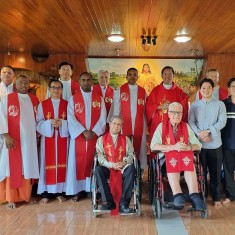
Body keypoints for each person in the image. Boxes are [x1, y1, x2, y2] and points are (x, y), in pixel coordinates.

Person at [150, 102, 206, 210]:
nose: (176, 115)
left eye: (179, 113)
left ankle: (195, 196)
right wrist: (173, 147)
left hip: (184, 160)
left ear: (182, 114)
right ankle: (177, 194)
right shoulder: (161, 126)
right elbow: (153, 146)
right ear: (168, 114)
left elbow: (198, 145)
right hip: (166, 162)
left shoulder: (185, 126)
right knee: (173, 158)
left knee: (189, 159)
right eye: (173, 112)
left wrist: (188, 147)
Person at [0, 75, 39, 209]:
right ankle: (11, 198)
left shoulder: (34, 99)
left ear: (29, 85)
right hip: (13, 139)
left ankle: (26, 196)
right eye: (20, 82)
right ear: (15, 84)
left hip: (29, 140)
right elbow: (1, 117)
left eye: (26, 82)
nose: (23, 84)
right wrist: (6, 135)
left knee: (28, 166)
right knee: (11, 167)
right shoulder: (7, 99)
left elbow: (38, 120)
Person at [66, 72, 106, 200]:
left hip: (94, 137)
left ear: (92, 82)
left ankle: (91, 189)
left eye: (88, 80)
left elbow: (103, 117)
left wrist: (93, 132)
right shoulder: (73, 98)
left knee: (93, 162)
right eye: (83, 80)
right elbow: (70, 118)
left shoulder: (99, 98)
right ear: (79, 81)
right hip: (79, 137)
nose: (86, 82)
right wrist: (83, 131)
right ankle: (78, 190)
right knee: (76, 163)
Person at [189, 78, 227, 207]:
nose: (206, 90)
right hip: (199, 145)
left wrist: (209, 131)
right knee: (200, 173)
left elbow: (222, 122)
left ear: (213, 89)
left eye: (208, 88)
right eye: (203, 88)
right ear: (200, 90)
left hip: (215, 144)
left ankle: (216, 198)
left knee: (215, 173)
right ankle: (201, 197)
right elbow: (191, 122)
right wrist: (200, 134)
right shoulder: (194, 105)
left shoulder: (220, 104)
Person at [36, 79, 69, 204]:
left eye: (58, 88)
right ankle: (46, 193)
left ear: (62, 89)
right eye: (53, 88)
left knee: (63, 165)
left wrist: (63, 123)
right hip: (48, 140)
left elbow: (72, 122)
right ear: (49, 90)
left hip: (62, 139)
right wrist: (49, 123)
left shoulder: (67, 104)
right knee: (47, 165)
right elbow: (38, 123)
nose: (56, 90)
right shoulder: (42, 104)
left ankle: (60, 192)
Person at [95, 115, 135, 215]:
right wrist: (111, 165)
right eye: (114, 123)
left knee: (131, 169)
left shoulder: (126, 139)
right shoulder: (101, 139)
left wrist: (125, 162)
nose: (116, 126)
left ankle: (124, 204)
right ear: (110, 124)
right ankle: (108, 202)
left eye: (119, 124)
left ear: (121, 126)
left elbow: (131, 154)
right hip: (108, 167)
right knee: (98, 170)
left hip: (122, 167)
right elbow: (99, 157)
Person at [108, 68, 147, 169]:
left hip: (139, 124)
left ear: (137, 77)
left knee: (140, 147)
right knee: (124, 146)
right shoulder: (120, 90)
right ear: (126, 76)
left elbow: (146, 110)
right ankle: (124, 168)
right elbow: (116, 109)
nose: (132, 76)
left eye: (134, 74)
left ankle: (140, 168)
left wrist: (146, 124)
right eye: (130, 74)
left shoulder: (143, 92)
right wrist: (116, 124)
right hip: (124, 124)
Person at [146, 66, 188, 159]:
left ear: (173, 75)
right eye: (165, 74)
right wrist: (159, 106)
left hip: (173, 125)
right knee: (157, 145)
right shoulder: (155, 90)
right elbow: (148, 105)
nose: (167, 76)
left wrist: (173, 106)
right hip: (158, 124)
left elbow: (184, 103)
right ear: (161, 75)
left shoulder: (179, 92)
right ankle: (156, 168)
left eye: (170, 74)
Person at [221, 77, 235, 204]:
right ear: (229, 89)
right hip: (228, 143)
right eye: (233, 86)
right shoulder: (223, 105)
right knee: (228, 171)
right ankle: (230, 195)